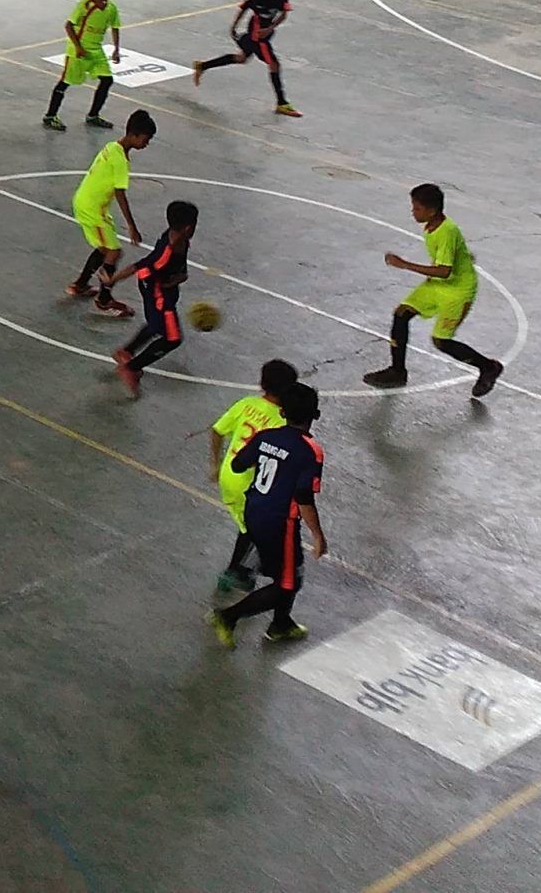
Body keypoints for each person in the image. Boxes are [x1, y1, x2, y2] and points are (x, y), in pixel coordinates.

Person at [210, 383, 326, 647]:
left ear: (282, 412)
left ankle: (281, 623)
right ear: (315, 415)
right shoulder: (310, 451)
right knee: (287, 583)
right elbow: (304, 498)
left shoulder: (264, 436)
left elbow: (239, 465)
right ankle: (228, 616)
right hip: (279, 523)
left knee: (289, 572)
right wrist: (318, 536)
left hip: (253, 512)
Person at [361, 182, 503, 396]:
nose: (413, 212)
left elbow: (444, 271)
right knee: (401, 314)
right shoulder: (433, 226)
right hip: (440, 284)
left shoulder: (446, 231)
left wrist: (405, 264)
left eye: (417, 208)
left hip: (457, 290)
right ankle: (397, 371)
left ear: (432, 210)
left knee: (441, 341)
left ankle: (488, 367)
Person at [211, 359, 301, 596]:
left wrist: (214, 464)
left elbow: (217, 430)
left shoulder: (246, 404)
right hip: (248, 483)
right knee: (254, 529)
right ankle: (234, 573)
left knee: (249, 527)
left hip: (228, 474)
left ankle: (242, 568)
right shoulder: (282, 422)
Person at [64, 108, 155, 319]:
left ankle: (80, 285)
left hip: (87, 201)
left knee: (105, 248)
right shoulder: (121, 161)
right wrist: (132, 226)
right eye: (146, 139)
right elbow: (120, 194)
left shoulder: (112, 146)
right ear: (134, 134)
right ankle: (104, 300)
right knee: (114, 252)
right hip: (93, 209)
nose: (146, 144)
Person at [112, 199, 198, 397]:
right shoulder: (166, 253)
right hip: (157, 291)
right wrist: (113, 279)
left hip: (161, 287)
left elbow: (179, 265)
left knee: (156, 324)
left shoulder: (179, 238)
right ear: (188, 227)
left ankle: (126, 352)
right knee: (172, 338)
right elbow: (141, 266)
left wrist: (180, 276)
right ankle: (131, 368)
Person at [191, 0, 299, 117]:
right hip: (256, 36)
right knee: (274, 64)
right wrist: (234, 27)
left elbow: (283, 14)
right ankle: (282, 103)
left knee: (241, 58)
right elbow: (243, 8)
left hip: (265, 33)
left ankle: (202, 66)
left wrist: (270, 28)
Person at [41, 0, 122, 130]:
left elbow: (115, 27)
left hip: (96, 50)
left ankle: (93, 115)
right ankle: (50, 116)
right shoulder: (84, 6)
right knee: (65, 82)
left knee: (107, 80)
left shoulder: (111, 8)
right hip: (78, 51)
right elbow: (69, 26)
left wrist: (116, 49)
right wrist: (77, 47)